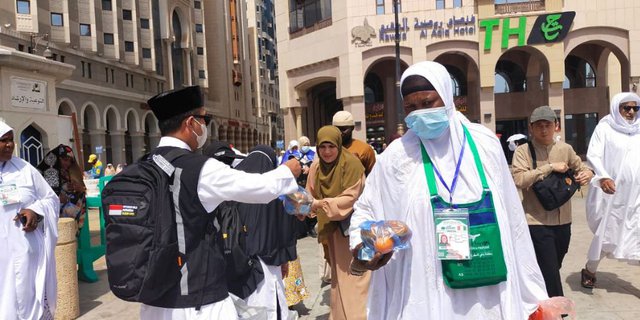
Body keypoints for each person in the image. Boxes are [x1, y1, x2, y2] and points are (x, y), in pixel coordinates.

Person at [348, 61, 549, 319]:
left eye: (428, 103)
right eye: (410, 107)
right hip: (424, 288)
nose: (419, 113)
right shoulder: (397, 157)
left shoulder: (484, 142)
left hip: (487, 284)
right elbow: (366, 209)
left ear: (447, 97)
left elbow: (512, 214)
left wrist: (531, 293)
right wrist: (364, 246)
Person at [139, 85, 301, 319]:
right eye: (204, 119)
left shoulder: (140, 167)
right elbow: (260, 188)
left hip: (154, 301)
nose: (205, 126)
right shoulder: (200, 169)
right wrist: (288, 170)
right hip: (198, 300)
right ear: (190, 123)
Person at [512, 105, 594, 297]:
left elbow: (581, 167)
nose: (543, 130)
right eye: (538, 125)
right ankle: (558, 310)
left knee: (553, 265)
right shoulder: (523, 151)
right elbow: (519, 180)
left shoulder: (565, 149)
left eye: (547, 125)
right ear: (531, 128)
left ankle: (536, 302)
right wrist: (548, 167)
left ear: (556, 126)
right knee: (550, 270)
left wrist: (588, 174)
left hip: (564, 220)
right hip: (536, 221)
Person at [231, 145, 304, 320]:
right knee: (271, 305)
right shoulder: (274, 191)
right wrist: (285, 257)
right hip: (270, 262)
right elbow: (285, 230)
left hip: (241, 262)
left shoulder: (237, 185)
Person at [304, 125, 368, 320]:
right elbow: (309, 193)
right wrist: (305, 206)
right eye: (322, 147)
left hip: (352, 230)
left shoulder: (352, 165)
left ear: (338, 145)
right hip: (331, 229)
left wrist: (320, 204)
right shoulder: (316, 167)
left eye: (331, 146)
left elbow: (350, 198)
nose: (327, 152)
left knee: (354, 278)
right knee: (338, 279)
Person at [0, 120, 59, 319]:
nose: (9, 145)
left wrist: (35, 210)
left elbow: (51, 199)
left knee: (28, 303)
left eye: (11, 140)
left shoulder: (25, 169)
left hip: (26, 253)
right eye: (3, 140)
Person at [581, 92, 640, 288]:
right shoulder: (605, 128)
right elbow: (594, 155)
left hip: (637, 195)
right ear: (617, 108)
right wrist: (604, 176)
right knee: (607, 236)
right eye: (626, 108)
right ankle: (590, 269)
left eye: (635, 108)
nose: (631, 112)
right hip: (612, 194)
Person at [37, 144, 87, 230]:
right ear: (56, 158)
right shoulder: (45, 172)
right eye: (65, 160)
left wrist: (79, 189)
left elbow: (80, 190)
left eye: (70, 161)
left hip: (66, 222)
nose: (68, 163)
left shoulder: (66, 173)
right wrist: (57, 197)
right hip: (48, 216)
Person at [332, 111, 376, 176]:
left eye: (344, 129)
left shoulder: (364, 149)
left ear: (352, 128)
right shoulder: (327, 149)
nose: (340, 133)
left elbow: (373, 176)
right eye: (337, 129)